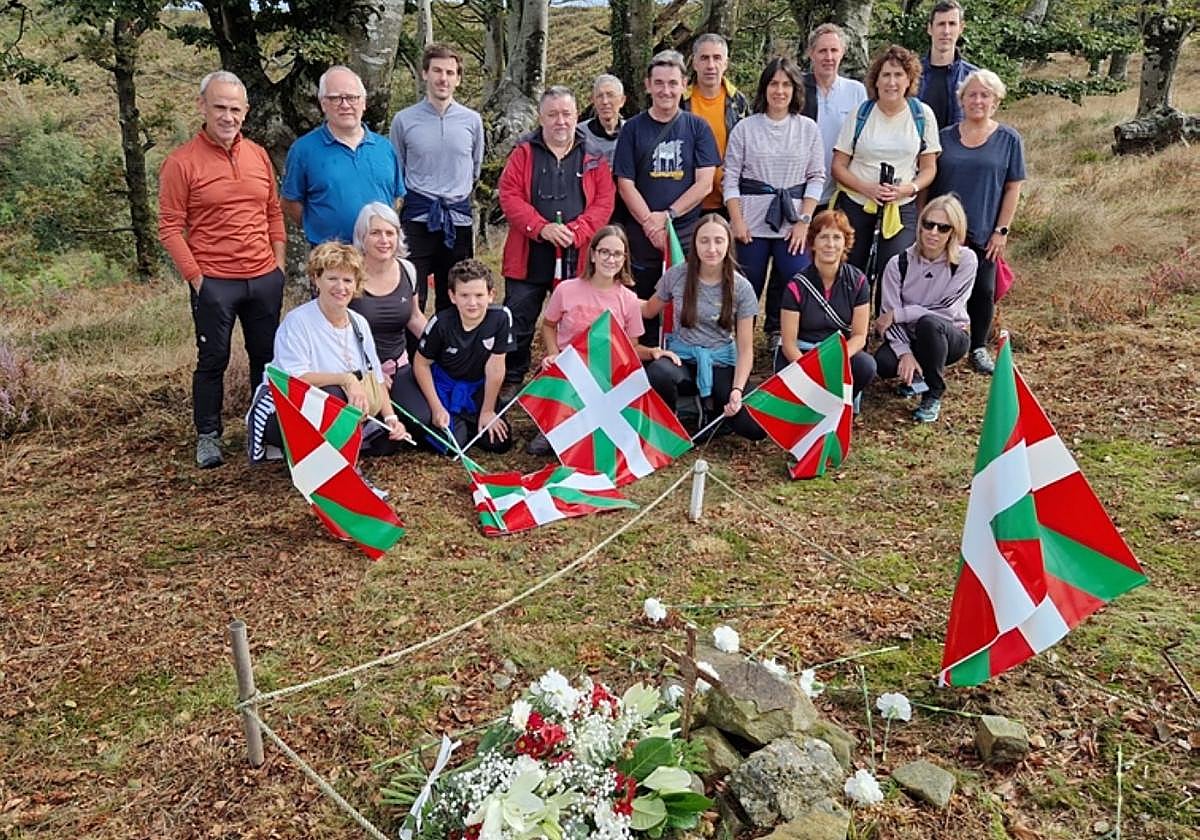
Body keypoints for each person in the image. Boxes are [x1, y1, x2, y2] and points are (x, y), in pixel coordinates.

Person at [158, 70, 287, 469]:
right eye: (219, 107)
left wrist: (278, 265)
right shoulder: (181, 162)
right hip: (214, 281)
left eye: (235, 109)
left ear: (245, 112)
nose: (228, 116)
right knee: (212, 358)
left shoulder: (258, 155)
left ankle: (262, 434)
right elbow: (168, 226)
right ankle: (208, 436)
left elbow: (272, 212)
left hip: (263, 276)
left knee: (266, 358)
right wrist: (197, 280)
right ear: (203, 107)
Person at [247, 243, 412, 481]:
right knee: (333, 395)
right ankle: (331, 463)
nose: (341, 287)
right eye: (332, 278)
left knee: (387, 442)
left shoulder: (358, 323)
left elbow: (375, 378)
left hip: (341, 408)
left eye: (347, 280)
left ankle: (333, 446)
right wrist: (346, 379)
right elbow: (293, 379)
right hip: (288, 408)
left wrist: (391, 419)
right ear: (317, 279)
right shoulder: (298, 322)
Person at [497, 86, 616, 402]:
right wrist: (541, 227)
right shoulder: (523, 152)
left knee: (575, 320)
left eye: (566, 114)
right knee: (519, 319)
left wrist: (578, 230)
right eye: (552, 114)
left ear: (577, 115)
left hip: (578, 253)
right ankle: (512, 378)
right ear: (541, 117)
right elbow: (509, 195)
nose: (560, 121)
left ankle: (571, 382)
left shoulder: (593, 154)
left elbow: (605, 200)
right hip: (529, 252)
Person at [528, 225, 674, 455]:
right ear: (593, 254)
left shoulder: (628, 299)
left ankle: (583, 430)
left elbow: (632, 348)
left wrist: (654, 352)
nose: (610, 259)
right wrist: (553, 353)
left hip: (605, 374)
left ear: (624, 258)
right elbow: (548, 325)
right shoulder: (566, 290)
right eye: (605, 252)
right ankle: (552, 428)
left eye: (617, 254)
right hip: (569, 367)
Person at [614, 50, 720, 339]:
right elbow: (625, 182)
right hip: (641, 237)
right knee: (642, 308)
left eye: (673, 83)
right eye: (659, 83)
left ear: (685, 84)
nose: (666, 90)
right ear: (648, 85)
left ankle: (681, 363)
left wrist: (668, 217)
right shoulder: (632, 129)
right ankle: (643, 363)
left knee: (686, 304)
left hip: (684, 237)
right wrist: (650, 222)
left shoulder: (697, 127)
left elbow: (705, 183)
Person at [928, 69, 1025, 375]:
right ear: (962, 99)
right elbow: (929, 182)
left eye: (985, 95)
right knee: (939, 288)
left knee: (983, 289)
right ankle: (936, 345)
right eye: (972, 94)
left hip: (984, 231)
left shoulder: (1009, 139)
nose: (978, 100)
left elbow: (1013, 187)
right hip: (943, 231)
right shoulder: (943, 138)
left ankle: (978, 346)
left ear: (995, 101)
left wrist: (1002, 230)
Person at [723, 56, 825, 339]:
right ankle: (737, 341)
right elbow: (730, 177)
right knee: (746, 283)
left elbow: (816, 176)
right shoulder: (745, 128)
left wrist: (805, 220)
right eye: (773, 84)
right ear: (764, 88)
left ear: (795, 90)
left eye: (786, 85)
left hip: (792, 221)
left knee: (796, 278)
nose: (779, 91)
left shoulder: (808, 128)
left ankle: (786, 337)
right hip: (751, 221)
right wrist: (736, 220)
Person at [642, 214, 765, 442]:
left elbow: (746, 349)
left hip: (720, 361)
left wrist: (737, 391)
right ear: (695, 243)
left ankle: (716, 415)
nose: (711, 248)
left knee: (756, 427)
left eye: (718, 241)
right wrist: (609, 297)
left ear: (728, 243)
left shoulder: (741, 287)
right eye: (704, 241)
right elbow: (648, 309)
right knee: (658, 371)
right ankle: (670, 423)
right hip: (683, 357)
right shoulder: (677, 275)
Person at [832, 45, 940, 294]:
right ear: (876, 80)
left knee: (895, 271)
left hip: (900, 207)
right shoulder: (862, 113)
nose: (892, 82)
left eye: (899, 75)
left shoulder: (922, 115)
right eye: (886, 75)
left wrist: (906, 189)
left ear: (909, 80)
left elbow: (929, 168)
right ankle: (850, 327)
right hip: (857, 202)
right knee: (851, 271)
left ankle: (887, 327)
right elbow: (838, 165)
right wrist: (866, 188)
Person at [389, 44, 485, 316]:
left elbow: (474, 168)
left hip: (457, 219)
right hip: (417, 218)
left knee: (455, 295)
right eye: (437, 71)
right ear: (425, 74)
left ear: (458, 78)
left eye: (450, 72)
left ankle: (450, 355)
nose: (443, 78)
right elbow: (399, 168)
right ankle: (411, 355)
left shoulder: (472, 121)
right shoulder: (403, 120)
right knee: (411, 294)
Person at [873, 195, 977, 423]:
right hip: (909, 336)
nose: (934, 232)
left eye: (943, 228)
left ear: (954, 231)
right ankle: (915, 376)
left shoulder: (965, 260)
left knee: (929, 324)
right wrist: (905, 353)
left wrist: (902, 314)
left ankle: (933, 393)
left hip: (950, 335)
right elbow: (887, 315)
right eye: (929, 224)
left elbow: (947, 309)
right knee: (883, 363)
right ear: (920, 225)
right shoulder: (898, 263)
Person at [281, 65, 405, 247]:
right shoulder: (303, 150)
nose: (345, 105)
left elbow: (397, 197)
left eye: (352, 98)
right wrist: (319, 230)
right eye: (336, 98)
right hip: (330, 259)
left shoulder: (384, 148)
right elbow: (290, 202)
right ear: (323, 103)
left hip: (377, 256)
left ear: (364, 102)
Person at [348, 203, 433, 446]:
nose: (383, 240)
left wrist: (440, 346)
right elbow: (335, 331)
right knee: (383, 440)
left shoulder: (408, 270)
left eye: (390, 233)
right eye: (375, 233)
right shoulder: (350, 275)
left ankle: (386, 421)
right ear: (362, 237)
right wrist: (368, 373)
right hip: (359, 372)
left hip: (399, 364)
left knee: (421, 421)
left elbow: (415, 317)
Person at [413, 259, 516, 453]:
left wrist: (488, 411)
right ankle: (453, 422)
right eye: (464, 295)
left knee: (499, 443)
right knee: (451, 446)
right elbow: (421, 364)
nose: (472, 303)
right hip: (444, 384)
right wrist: (436, 407)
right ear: (452, 296)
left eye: (479, 295)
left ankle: (471, 419)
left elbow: (495, 367)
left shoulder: (502, 318)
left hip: (477, 386)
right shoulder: (441, 323)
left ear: (491, 295)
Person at [775, 210, 876, 402]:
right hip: (802, 354)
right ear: (812, 243)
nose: (830, 244)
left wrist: (834, 359)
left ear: (846, 242)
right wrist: (811, 369)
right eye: (824, 237)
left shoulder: (858, 282)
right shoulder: (796, 286)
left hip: (838, 354)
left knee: (865, 365)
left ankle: (840, 406)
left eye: (837, 237)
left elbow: (859, 336)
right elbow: (788, 343)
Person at [681, 34, 750, 217]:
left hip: (730, 201)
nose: (711, 65)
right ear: (694, 63)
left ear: (726, 63)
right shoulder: (680, 102)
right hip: (686, 201)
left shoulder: (738, 102)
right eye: (704, 58)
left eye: (717, 58)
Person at [800, 23, 868, 204]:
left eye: (834, 50)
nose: (829, 57)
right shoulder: (797, 89)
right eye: (822, 51)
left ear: (842, 52)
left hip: (842, 193)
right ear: (811, 53)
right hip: (801, 192)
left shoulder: (856, 91)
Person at [917, 0, 977, 129]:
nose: (946, 31)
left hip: (959, 148)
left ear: (961, 28)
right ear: (929, 28)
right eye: (941, 24)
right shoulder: (911, 75)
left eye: (952, 24)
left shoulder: (974, 78)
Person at [582, 74, 626, 167]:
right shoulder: (579, 134)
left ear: (622, 100)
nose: (605, 101)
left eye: (610, 95)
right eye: (599, 96)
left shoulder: (631, 132)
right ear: (593, 101)